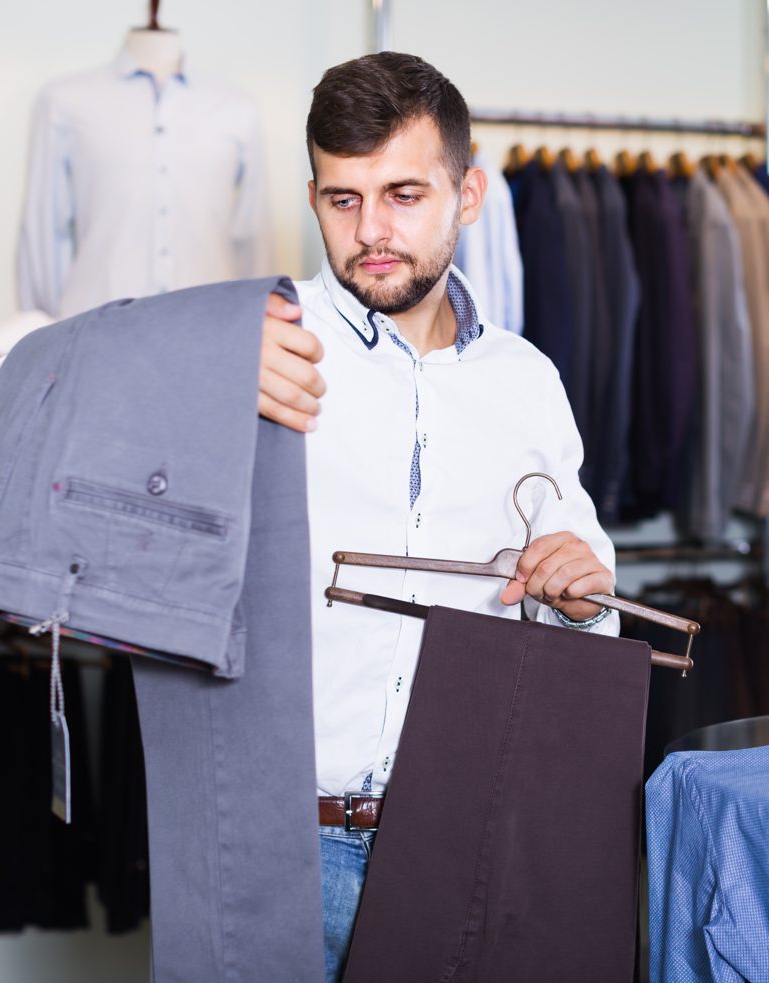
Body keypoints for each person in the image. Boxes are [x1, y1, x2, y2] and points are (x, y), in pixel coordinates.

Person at [257, 52, 619, 980]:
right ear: (313, 199)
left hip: (458, 854)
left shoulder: (530, 384)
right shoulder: (264, 337)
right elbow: (35, 385)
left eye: (403, 194)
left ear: (469, 193)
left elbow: (586, 611)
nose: (371, 231)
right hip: (275, 855)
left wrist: (582, 594)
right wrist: (192, 366)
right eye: (343, 200)